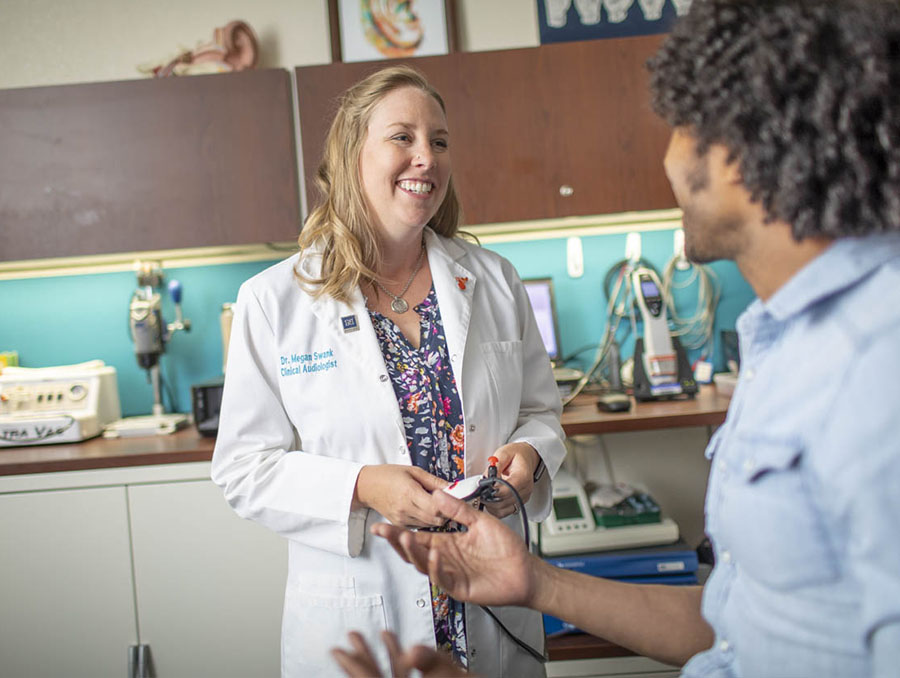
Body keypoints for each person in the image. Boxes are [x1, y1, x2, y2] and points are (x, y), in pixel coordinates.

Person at [333, 1, 900, 677]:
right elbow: (738, 627)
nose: (666, 155)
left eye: (682, 127)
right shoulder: (784, 340)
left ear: (746, 146)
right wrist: (537, 584)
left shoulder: (875, 368)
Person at [211, 64, 566, 678]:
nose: (425, 157)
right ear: (353, 155)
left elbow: (540, 412)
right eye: (402, 137)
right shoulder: (275, 301)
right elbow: (243, 468)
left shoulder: (495, 280)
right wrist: (362, 486)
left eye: (440, 141)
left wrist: (531, 457)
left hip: (492, 608)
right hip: (362, 616)